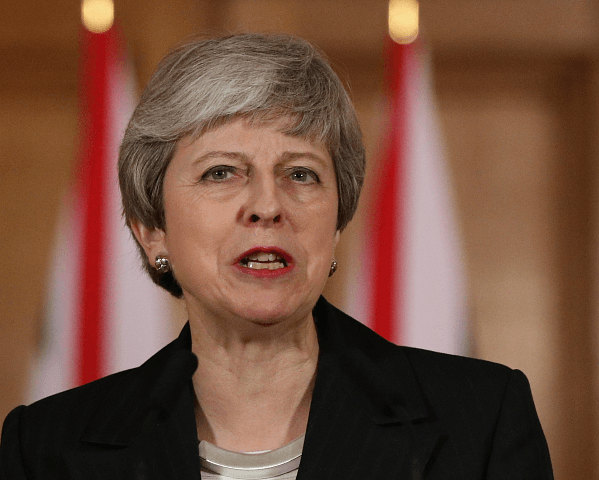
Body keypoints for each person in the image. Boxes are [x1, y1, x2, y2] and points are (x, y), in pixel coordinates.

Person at [0, 33, 554, 479]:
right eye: (221, 172)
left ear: (336, 224)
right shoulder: (46, 447)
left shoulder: (481, 422)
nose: (267, 206)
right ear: (151, 228)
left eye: (300, 174)